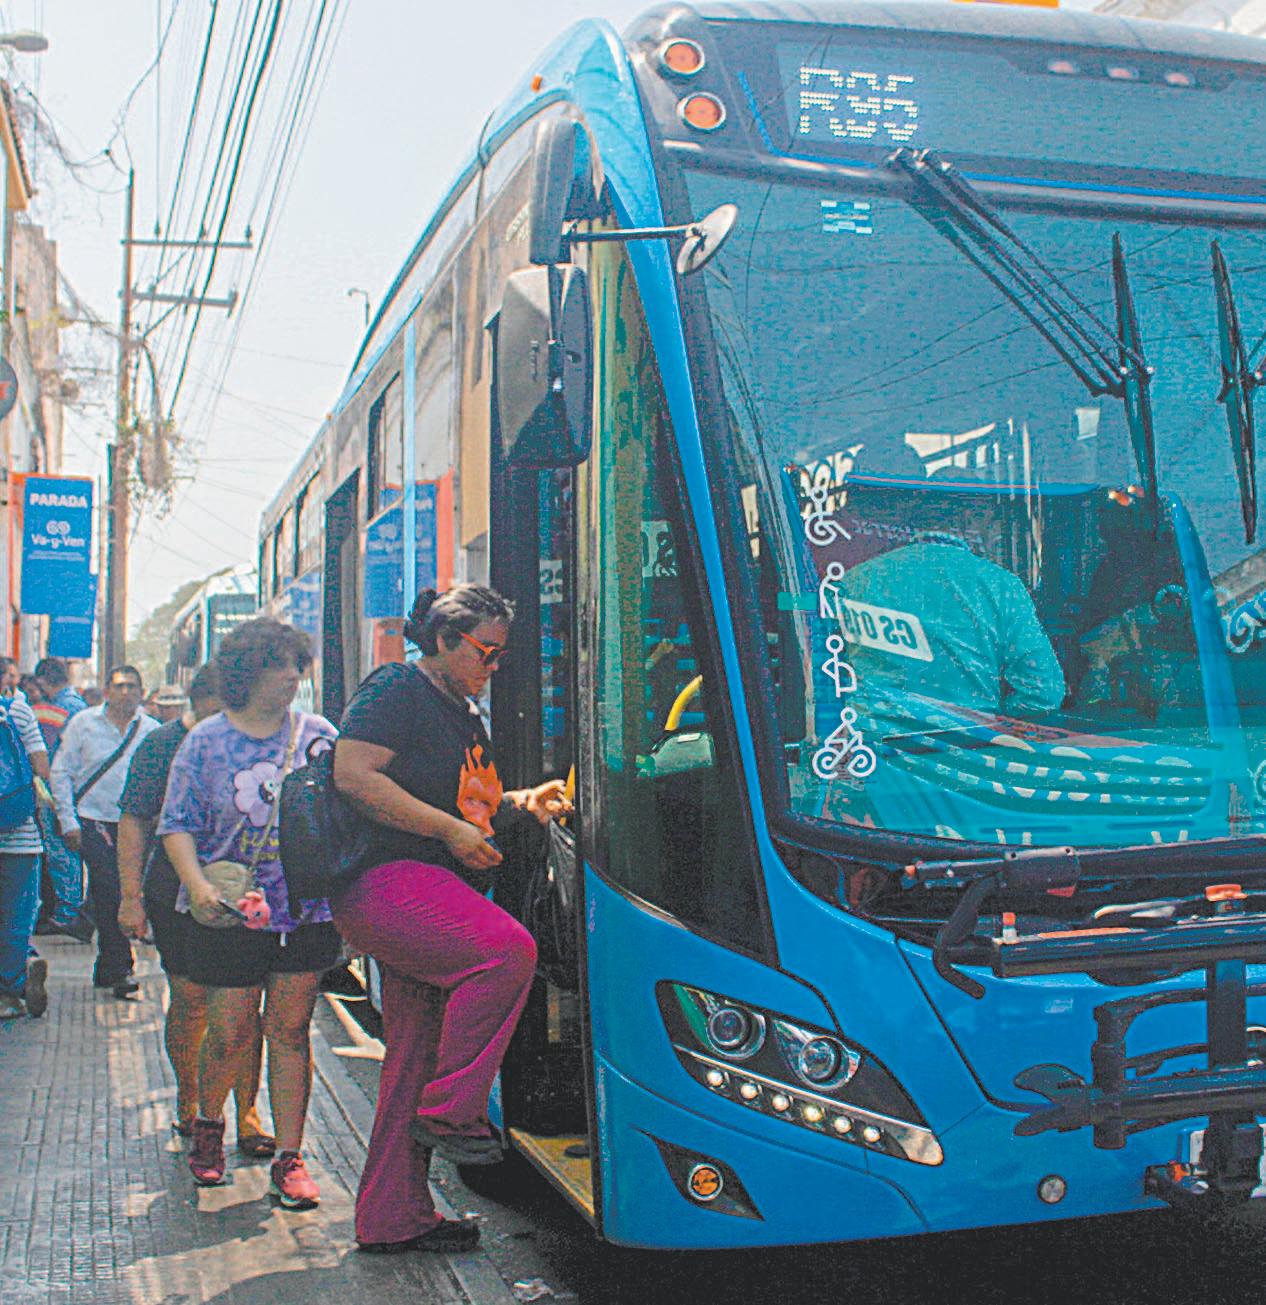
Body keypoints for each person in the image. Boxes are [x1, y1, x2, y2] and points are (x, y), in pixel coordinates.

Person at [332, 584, 568, 1255]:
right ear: (442, 639)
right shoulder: (396, 688)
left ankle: (392, 1217)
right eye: (484, 651)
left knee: (412, 1061)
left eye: (499, 655)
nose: (493, 666)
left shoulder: (460, 710)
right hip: (389, 881)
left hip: (425, 886)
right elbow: (354, 774)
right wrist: (448, 830)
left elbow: (469, 806)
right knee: (505, 951)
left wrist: (521, 802)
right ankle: (453, 1110)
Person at [159, 618, 338, 1209]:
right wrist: (196, 885)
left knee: (289, 1031)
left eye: (295, 665)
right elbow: (177, 823)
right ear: (246, 673)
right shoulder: (205, 741)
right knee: (231, 1031)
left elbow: (343, 818)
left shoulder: (318, 737)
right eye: (276, 665)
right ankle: (210, 1126)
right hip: (228, 910)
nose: (290, 677)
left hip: (303, 911)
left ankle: (290, 1156)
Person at [116, 664, 274, 1157]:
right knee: (190, 1000)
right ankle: (191, 1096)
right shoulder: (161, 746)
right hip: (174, 895)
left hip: (243, 893)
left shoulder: (255, 740)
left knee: (243, 1008)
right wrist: (130, 898)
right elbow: (134, 821)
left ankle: (246, 1111)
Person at [50, 665, 158, 997]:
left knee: (127, 889)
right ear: (107, 690)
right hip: (95, 821)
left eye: (132, 686)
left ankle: (107, 965)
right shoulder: (83, 724)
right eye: (119, 686)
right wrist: (68, 821)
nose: (125, 692)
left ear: (141, 692)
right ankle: (120, 967)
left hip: (137, 823)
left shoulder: (151, 730)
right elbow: (61, 772)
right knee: (110, 889)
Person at [0, 688, 50, 1018]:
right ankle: (12, 986)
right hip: (20, 836)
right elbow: (42, 766)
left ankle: (19, 974)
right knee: (16, 917)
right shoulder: (17, 709)